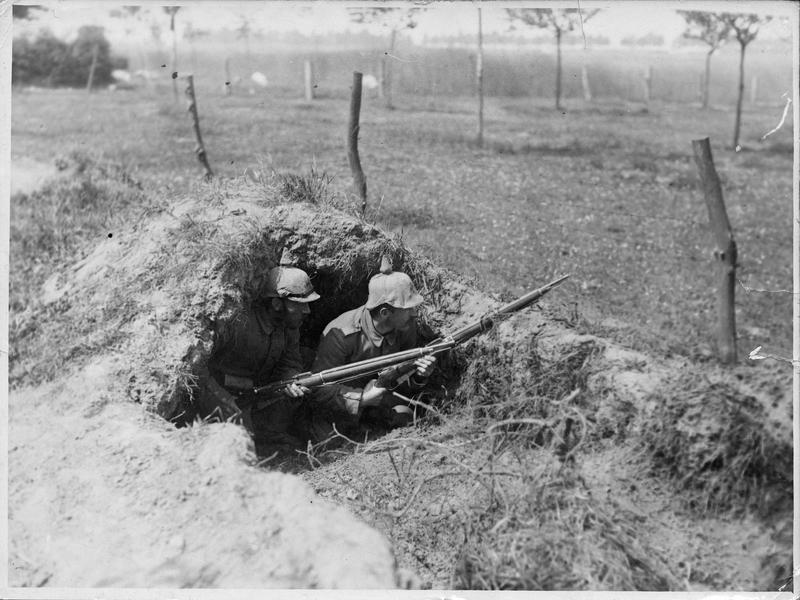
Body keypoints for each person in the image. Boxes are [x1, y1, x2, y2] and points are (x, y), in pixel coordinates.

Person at [198, 250, 319, 450]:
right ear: (276, 303)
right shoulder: (237, 323)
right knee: (239, 443)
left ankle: (268, 434)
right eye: (299, 305)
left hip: (256, 393)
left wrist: (291, 380)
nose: (307, 311)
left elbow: (290, 362)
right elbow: (198, 367)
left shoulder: (290, 326)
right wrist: (222, 400)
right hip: (219, 394)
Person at [309, 256, 436, 439]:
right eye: (408, 309)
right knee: (328, 442)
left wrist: (419, 376)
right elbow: (317, 390)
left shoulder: (405, 327)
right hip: (341, 409)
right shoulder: (341, 334)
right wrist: (362, 399)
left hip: (380, 402)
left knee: (406, 417)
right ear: (385, 313)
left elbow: (402, 377)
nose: (414, 314)